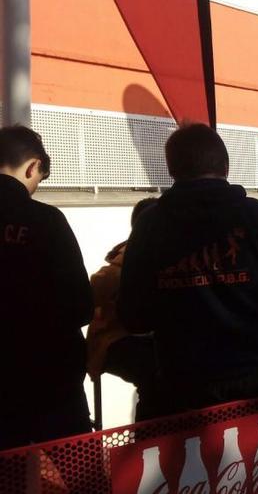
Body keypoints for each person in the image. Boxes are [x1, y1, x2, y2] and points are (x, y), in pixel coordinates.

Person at [119, 124, 258, 417]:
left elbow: (133, 317)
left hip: (181, 391)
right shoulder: (257, 216)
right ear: (226, 166)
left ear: (172, 170)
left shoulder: (149, 225)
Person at [0, 125, 93, 450]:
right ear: (32, 166)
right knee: (82, 474)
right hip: (52, 386)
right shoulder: (47, 221)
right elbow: (81, 305)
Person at [87, 197, 161, 420]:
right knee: (157, 376)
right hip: (114, 342)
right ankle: (150, 441)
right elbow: (91, 293)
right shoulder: (124, 263)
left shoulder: (153, 254)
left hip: (137, 340)